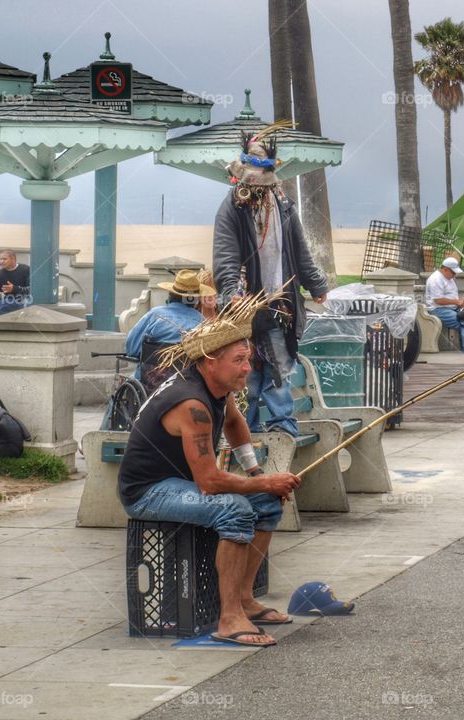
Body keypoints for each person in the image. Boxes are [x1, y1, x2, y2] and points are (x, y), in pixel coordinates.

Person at [118, 295, 301, 647]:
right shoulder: (192, 403)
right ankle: (229, 618)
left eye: (248, 358)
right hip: (147, 492)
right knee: (234, 509)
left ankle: (245, 599)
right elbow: (210, 481)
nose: (247, 368)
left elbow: (234, 424)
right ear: (210, 362)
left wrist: (255, 473)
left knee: (268, 503)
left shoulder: (218, 387)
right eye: (239, 361)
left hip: (178, 483)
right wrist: (264, 481)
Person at [213, 127, 329, 437]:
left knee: (279, 372)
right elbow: (226, 256)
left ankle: (282, 433)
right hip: (245, 310)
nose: (257, 188)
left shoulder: (284, 205)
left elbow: (300, 251)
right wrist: (231, 293)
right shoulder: (231, 209)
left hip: (281, 306)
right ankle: (245, 436)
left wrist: (316, 284)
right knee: (246, 375)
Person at [124, 269, 214, 389]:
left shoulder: (155, 315)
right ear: (195, 300)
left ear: (171, 294)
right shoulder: (202, 322)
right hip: (188, 383)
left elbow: (132, 348)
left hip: (151, 382)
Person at [425, 256, 464, 355]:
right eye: (453, 272)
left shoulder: (448, 277)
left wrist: (461, 303)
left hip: (450, 308)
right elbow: (438, 300)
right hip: (438, 309)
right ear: (445, 269)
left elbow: (451, 296)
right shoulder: (436, 279)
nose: (455, 275)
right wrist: (457, 302)